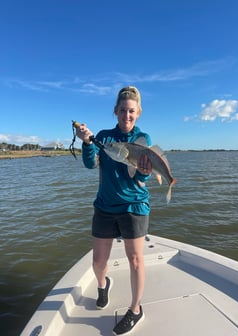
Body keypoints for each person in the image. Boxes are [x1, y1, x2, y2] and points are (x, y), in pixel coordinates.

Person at [76, 86, 152, 335]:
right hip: (105, 207)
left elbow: (144, 178)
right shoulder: (105, 137)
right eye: (122, 110)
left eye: (131, 111)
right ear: (116, 111)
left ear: (138, 112)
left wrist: (145, 172)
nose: (126, 115)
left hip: (134, 205)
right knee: (98, 262)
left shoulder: (143, 140)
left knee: (135, 259)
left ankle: (135, 309)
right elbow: (90, 163)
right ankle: (103, 283)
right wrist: (87, 142)